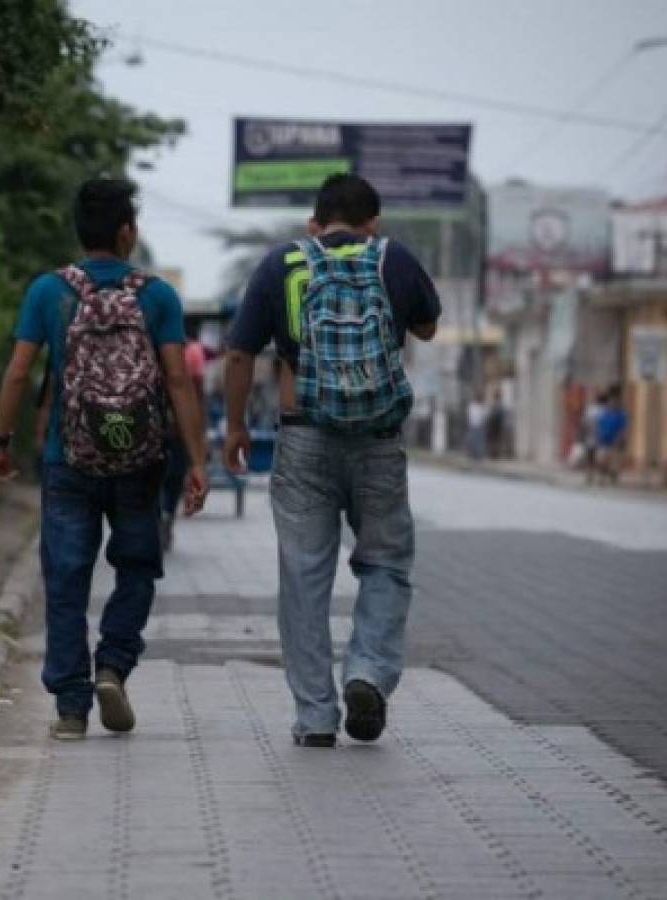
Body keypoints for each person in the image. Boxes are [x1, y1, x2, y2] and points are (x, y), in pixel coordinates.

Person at [223, 173, 440, 747]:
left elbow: (241, 352)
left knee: (303, 577)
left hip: (303, 438)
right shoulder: (392, 259)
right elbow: (428, 326)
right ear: (372, 222)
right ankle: (367, 673)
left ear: (316, 221)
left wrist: (238, 427)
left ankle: (316, 717)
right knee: (387, 564)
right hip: (378, 440)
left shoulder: (281, 264)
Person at [0, 178, 209, 740]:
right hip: (140, 460)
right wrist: (199, 460)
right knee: (137, 566)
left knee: (65, 576)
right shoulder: (156, 296)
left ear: (80, 232)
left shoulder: (49, 292)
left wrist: (2, 440)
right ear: (127, 232)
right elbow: (178, 379)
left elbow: (19, 372)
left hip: (71, 458)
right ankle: (112, 665)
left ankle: (70, 705)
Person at [159, 325, 207, 551]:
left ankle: (160, 513)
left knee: (156, 476)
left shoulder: (147, 341)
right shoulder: (194, 351)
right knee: (175, 475)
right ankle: (167, 512)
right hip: (180, 427)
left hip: (150, 426)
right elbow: (196, 391)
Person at [595, 387, 628, 485]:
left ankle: (613, 479)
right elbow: (599, 425)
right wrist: (598, 435)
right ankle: (602, 478)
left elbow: (623, 428)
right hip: (603, 440)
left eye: (615, 401)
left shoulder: (621, 414)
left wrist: (620, 438)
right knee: (602, 460)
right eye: (612, 401)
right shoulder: (605, 413)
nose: (613, 403)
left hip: (614, 440)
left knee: (614, 463)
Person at [465, 394, 487, 461]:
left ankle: (478, 455)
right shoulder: (472, 406)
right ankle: (473, 455)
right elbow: (469, 416)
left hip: (479, 426)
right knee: (473, 441)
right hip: (473, 426)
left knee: (479, 441)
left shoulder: (481, 406)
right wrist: (469, 424)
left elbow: (483, 416)